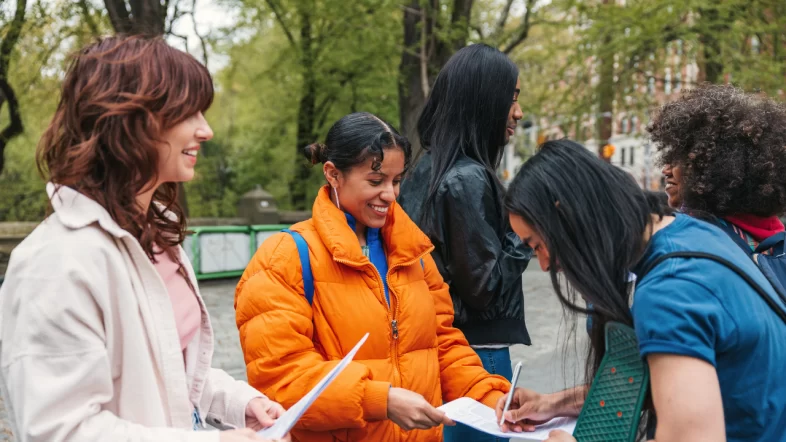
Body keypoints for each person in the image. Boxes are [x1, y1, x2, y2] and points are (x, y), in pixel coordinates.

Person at [0, 36, 287, 442]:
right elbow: (61, 431)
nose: (206, 130)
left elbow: (169, 369)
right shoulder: (54, 264)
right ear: (132, 121)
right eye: (188, 113)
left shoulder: (157, 236)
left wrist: (238, 403)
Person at [235, 112, 511, 441]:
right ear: (333, 174)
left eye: (396, 181)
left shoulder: (414, 255)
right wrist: (380, 400)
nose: (390, 194)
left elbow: (441, 347)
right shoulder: (283, 258)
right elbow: (280, 377)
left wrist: (492, 398)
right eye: (376, 181)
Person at [497, 140, 786, 441]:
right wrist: (553, 403)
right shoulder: (686, 231)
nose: (544, 264)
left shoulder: (670, 290)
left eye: (537, 245)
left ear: (567, 216)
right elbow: (661, 384)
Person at [398, 44, 531, 441]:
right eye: (511, 99)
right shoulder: (466, 178)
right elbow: (484, 288)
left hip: (446, 351)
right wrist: (526, 231)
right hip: (477, 356)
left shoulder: (425, 171)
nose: (518, 113)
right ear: (484, 101)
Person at [649, 84, 786, 249]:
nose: (665, 170)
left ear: (711, 169)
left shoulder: (691, 241)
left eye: (678, 160)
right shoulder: (775, 242)